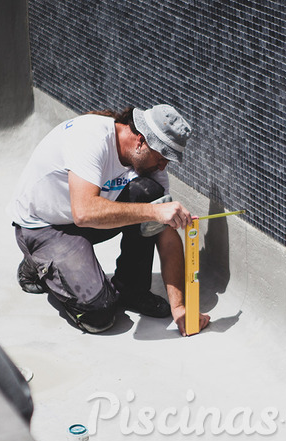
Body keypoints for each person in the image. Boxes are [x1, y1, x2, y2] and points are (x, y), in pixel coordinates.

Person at [11, 104, 210, 336]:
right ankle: (37, 263)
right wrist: (154, 212)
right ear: (140, 141)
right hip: (45, 226)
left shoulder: (149, 163)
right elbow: (84, 212)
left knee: (148, 193)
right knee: (99, 313)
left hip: (83, 219)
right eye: (162, 156)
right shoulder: (90, 139)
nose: (163, 165)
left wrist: (179, 308)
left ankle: (131, 290)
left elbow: (165, 237)